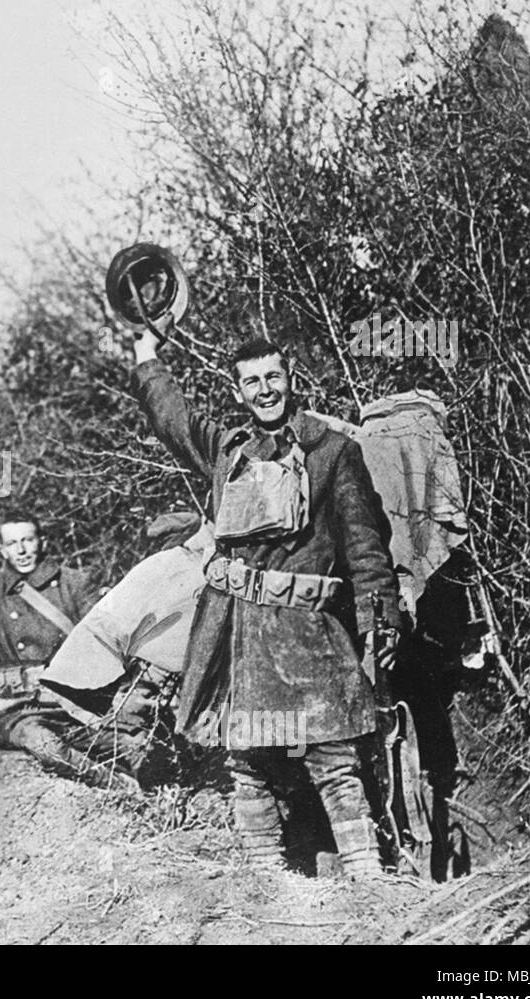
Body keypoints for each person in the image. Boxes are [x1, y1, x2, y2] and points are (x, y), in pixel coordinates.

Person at [128, 320, 403, 878]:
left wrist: (380, 623)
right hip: (239, 630)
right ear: (238, 392)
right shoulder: (228, 453)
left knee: (333, 755)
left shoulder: (332, 452)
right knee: (247, 758)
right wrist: (144, 355)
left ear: (290, 378)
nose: (264, 390)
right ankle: (264, 881)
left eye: (273, 376)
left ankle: (368, 878)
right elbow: (172, 419)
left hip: (309, 630)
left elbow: (365, 544)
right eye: (251, 382)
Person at [0, 497, 156, 785]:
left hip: (78, 705)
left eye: (28, 540)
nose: (22, 549)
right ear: (2, 550)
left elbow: (109, 640)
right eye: (12, 543)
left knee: (139, 751)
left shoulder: (75, 584)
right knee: (44, 744)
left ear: (43, 542)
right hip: (18, 712)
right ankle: (117, 788)